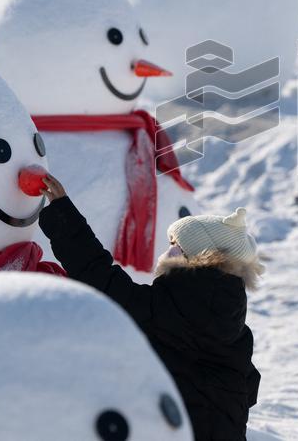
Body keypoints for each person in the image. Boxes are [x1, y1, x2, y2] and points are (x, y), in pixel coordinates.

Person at [38, 174, 263, 441]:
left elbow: (97, 275)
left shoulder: (164, 308)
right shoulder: (237, 328)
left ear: (195, 258)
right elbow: (249, 386)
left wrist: (63, 212)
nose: (166, 251)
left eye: (174, 245)